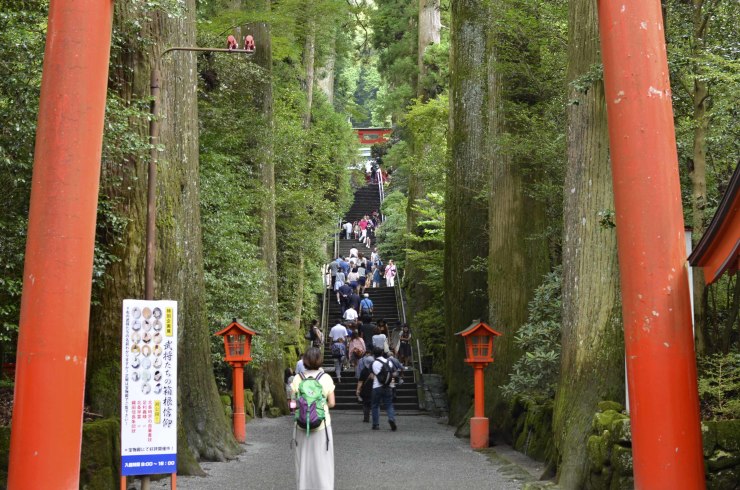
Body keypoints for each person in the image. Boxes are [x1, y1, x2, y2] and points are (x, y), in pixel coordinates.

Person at [291, 348, 335, 490]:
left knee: (303, 459)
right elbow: (332, 403)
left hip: (301, 425)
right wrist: (320, 408)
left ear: (305, 361)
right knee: (323, 460)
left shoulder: (298, 378)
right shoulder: (326, 378)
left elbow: (292, 404)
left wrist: (301, 409)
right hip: (322, 424)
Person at [371, 347, 397, 431]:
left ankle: (376, 424)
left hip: (376, 386)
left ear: (374, 354)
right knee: (389, 404)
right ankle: (391, 419)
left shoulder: (373, 363)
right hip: (387, 386)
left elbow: (372, 376)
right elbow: (394, 373)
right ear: (382, 353)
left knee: (375, 405)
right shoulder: (389, 362)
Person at [356, 351, 375, 423]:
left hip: (365, 390)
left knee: (365, 404)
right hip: (374, 389)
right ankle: (375, 418)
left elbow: (360, 381)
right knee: (374, 404)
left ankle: (366, 418)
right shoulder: (375, 370)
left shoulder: (364, 371)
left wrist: (358, 390)